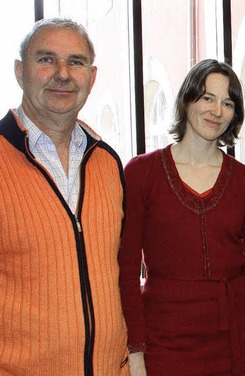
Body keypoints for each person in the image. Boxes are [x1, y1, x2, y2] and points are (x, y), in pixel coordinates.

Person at [118, 59, 245, 376]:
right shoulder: (141, 173)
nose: (216, 111)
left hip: (236, 340)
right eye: (207, 97)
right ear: (187, 99)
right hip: (163, 342)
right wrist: (134, 351)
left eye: (227, 103)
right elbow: (125, 271)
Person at [0, 18, 129, 375]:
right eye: (45, 59)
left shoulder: (108, 163)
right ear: (18, 71)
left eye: (75, 61)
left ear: (92, 75)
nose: (62, 73)